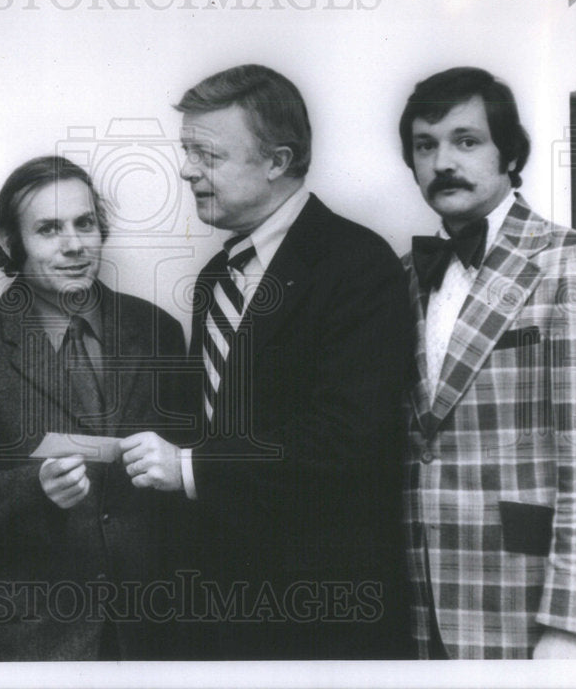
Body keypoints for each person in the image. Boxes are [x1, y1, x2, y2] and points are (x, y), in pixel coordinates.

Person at [120, 64, 413, 659]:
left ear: (277, 161)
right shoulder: (215, 279)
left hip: (322, 617)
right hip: (225, 610)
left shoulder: (358, 263)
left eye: (206, 154)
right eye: (185, 151)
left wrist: (193, 468)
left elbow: (346, 440)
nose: (185, 170)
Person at [0, 156, 189, 660]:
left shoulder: (158, 331)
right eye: (49, 229)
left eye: (84, 223)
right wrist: (33, 488)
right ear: (7, 241)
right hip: (30, 643)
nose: (74, 244)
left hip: (150, 633)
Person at [398, 67, 576, 659]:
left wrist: (574, 624)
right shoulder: (405, 275)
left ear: (509, 153)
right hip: (421, 604)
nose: (442, 162)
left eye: (466, 141)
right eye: (425, 145)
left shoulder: (574, 263)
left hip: (528, 606)